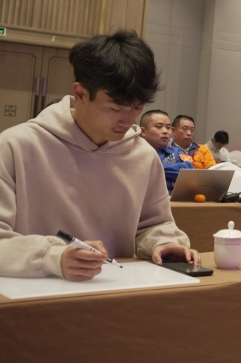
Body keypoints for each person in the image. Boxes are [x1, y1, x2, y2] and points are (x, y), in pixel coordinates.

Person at [0, 30, 198, 281]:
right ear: (80, 94)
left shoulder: (142, 156)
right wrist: (53, 256)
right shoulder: (17, 146)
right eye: (115, 108)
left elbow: (154, 224)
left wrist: (164, 243)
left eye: (137, 107)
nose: (128, 120)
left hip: (115, 289)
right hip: (36, 293)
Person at [139, 109, 193, 193]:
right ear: (143, 131)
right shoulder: (135, 153)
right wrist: (171, 183)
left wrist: (151, 168)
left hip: (174, 200)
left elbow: (188, 171)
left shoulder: (177, 151)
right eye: (159, 126)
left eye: (168, 127)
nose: (165, 131)